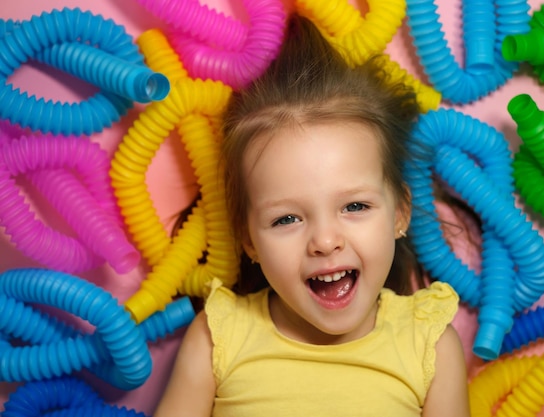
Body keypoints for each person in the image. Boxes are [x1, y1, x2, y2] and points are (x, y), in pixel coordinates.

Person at [154, 13, 470, 417]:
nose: (324, 241)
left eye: (354, 206)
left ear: (399, 214)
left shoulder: (429, 344)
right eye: (286, 219)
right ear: (249, 239)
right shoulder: (219, 337)